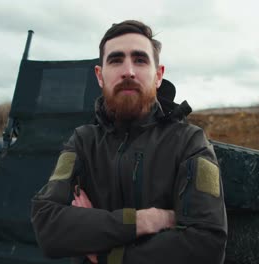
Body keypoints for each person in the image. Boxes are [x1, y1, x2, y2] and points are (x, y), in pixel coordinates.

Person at [31, 20, 227, 264]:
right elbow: (47, 225)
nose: (128, 71)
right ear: (100, 76)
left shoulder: (189, 142)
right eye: (115, 60)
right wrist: (144, 221)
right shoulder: (83, 141)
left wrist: (106, 255)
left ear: (158, 75)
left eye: (140, 60)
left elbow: (206, 245)